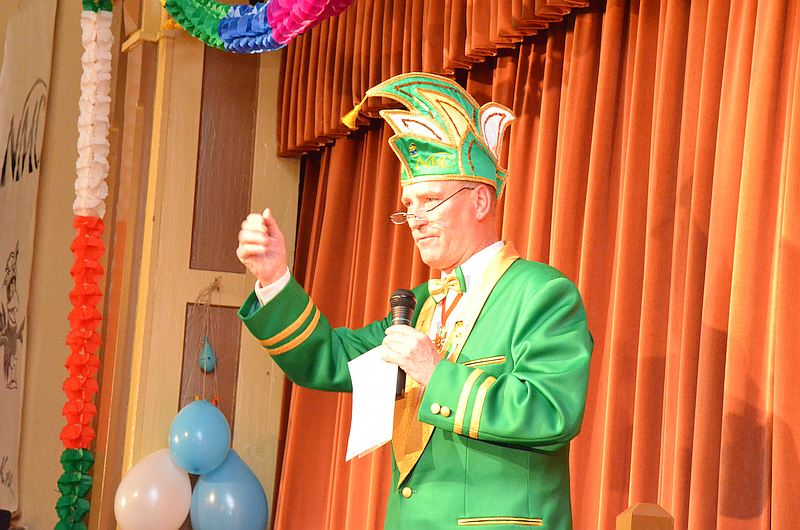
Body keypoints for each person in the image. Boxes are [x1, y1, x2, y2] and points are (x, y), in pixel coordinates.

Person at [237, 73, 592, 530]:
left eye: (430, 200)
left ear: (480, 202)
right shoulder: (421, 303)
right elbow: (329, 359)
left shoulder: (541, 293)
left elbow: (551, 412)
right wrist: (273, 279)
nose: (415, 219)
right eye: (409, 205)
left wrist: (435, 373)